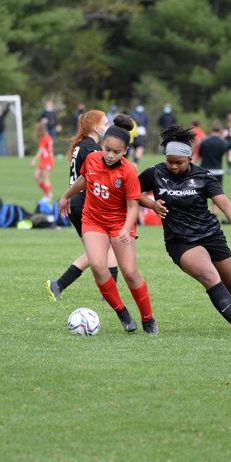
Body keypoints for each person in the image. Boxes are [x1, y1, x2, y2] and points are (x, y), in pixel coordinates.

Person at [138, 125, 231, 339]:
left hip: (211, 235)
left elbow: (223, 201)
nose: (173, 166)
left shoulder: (203, 176)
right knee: (210, 276)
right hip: (180, 240)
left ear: (190, 158)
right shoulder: (155, 173)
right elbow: (131, 192)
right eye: (169, 161)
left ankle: (230, 311)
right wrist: (151, 204)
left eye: (179, 162)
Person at [58, 115, 158, 334]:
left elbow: (133, 205)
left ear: (125, 151)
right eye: (108, 149)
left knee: (130, 272)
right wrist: (66, 195)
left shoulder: (128, 171)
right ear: (102, 144)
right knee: (97, 265)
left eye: (117, 152)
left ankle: (148, 319)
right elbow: (84, 179)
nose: (111, 155)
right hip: (93, 219)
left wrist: (126, 229)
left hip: (120, 223)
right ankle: (122, 312)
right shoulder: (92, 159)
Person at [45, 110, 119, 300]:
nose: (108, 126)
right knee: (105, 248)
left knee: (97, 252)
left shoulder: (82, 145)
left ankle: (60, 285)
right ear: (95, 127)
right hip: (87, 202)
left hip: (76, 202)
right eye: (105, 123)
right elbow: (93, 177)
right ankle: (106, 293)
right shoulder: (92, 149)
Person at [198, 121, 228, 216]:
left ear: (211, 129)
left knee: (201, 192)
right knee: (216, 193)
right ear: (220, 130)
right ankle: (214, 214)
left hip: (204, 170)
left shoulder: (204, 141)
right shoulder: (224, 143)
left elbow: (200, 155)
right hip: (218, 171)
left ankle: (202, 213)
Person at [30, 121, 54, 201]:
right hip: (45, 160)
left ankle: (47, 196)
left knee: (45, 178)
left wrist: (34, 161)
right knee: (36, 176)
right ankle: (48, 193)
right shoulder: (48, 137)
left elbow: (41, 151)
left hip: (46, 161)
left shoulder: (45, 139)